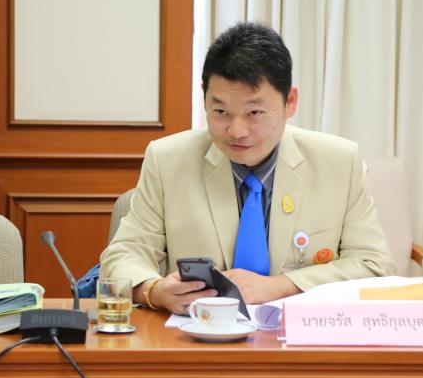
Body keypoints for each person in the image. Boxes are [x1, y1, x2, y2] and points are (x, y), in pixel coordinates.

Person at [100, 22, 396, 314]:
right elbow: (123, 256)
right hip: (198, 334)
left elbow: (375, 265)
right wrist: (155, 291)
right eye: (220, 111)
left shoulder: (339, 163)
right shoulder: (167, 160)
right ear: (204, 96)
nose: (236, 131)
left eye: (254, 112)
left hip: (300, 338)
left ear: (290, 101)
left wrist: (282, 285)